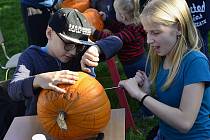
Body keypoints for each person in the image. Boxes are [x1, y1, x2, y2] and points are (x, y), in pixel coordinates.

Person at [119, 0, 210, 139]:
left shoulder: (195, 62)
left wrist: (140, 95)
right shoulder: (162, 57)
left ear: (179, 28)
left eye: (155, 32)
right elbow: (170, 105)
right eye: (147, 32)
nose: (148, 40)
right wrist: (148, 92)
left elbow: (185, 122)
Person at [8, 8, 122, 116]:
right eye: (68, 44)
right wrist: (38, 80)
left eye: (79, 46)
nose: (73, 52)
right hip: (41, 118)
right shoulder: (31, 57)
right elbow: (13, 89)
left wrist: (96, 48)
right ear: (49, 33)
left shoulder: (82, 52)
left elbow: (117, 41)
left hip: (82, 116)